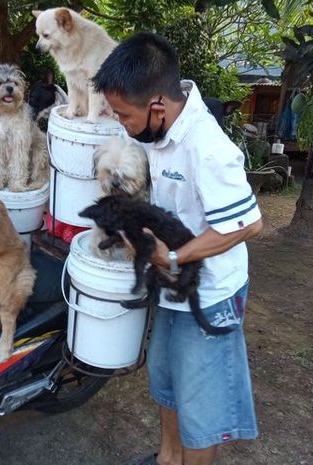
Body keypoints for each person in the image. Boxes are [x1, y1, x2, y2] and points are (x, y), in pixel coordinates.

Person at [91, 32, 263, 465]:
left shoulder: (208, 147)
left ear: (156, 107)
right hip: (174, 290)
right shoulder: (159, 134)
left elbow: (248, 224)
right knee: (167, 384)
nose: (122, 125)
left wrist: (173, 257)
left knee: (199, 406)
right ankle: (169, 459)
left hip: (210, 292)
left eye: (124, 115)